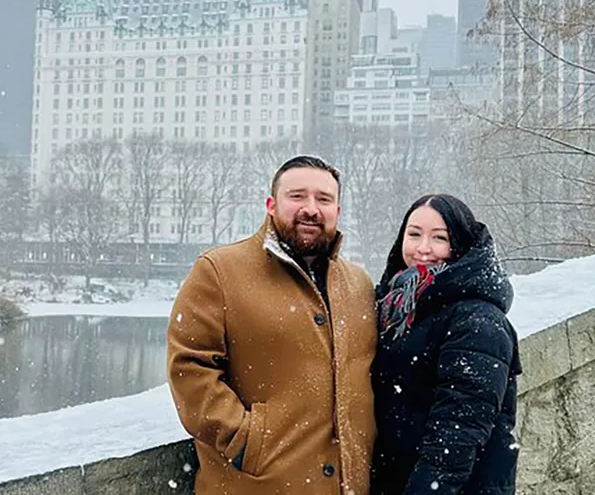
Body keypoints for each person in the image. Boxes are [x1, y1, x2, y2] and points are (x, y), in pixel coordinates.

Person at [167, 155, 377, 495]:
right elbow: (190, 368)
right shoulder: (220, 271)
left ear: (337, 212)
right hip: (256, 485)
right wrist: (247, 441)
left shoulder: (359, 284)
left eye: (324, 199)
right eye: (297, 196)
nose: (311, 208)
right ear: (270, 204)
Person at [370, 194, 522, 495]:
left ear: (461, 245)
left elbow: (457, 434)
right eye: (414, 235)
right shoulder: (395, 306)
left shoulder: (478, 320)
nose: (423, 248)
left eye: (439, 238)